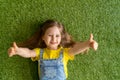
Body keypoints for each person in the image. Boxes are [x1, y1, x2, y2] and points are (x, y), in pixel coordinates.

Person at [8, 19, 98, 80]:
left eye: (57, 36)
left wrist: (87, 44)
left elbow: (76, 49)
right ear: (43, 37)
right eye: (50, 35)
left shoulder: (64, 52)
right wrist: (17, 51)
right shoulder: (40, 52)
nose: (54, 39)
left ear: (61, 37)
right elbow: (28, 52)